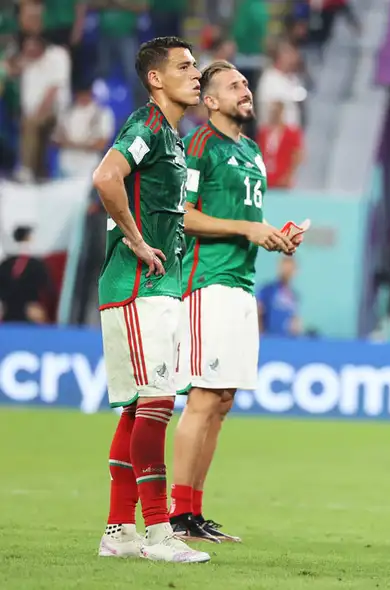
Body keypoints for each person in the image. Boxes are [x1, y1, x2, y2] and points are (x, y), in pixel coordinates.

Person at [169, 61, 297, 544]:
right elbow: (182, 215)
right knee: (203, 397)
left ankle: (194, 512)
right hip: (208, 281)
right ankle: (176, 515)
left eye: (246, 84)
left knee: (222, 401)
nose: (246, 90)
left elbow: (245, 221)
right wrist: (248, 228)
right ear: (210, 101)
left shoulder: (251, 151)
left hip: (242, 282)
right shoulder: (199, 145)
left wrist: (274, 236)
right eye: (233, 86)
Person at [92, 36, 209, 563]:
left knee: (139, 407)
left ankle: (119, 532)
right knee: (157, 405)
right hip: (140, 286)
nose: (196, 73)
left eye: (196, 66)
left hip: (150, 288)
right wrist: (136, 240)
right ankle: (159, 534)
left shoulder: (172, 136)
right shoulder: (148, 127)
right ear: (155, 79)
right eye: (184, 66)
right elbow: (105, 177)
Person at [0, 226, 51, 323]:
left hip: (15, 308)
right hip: (23, 308)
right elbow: (48, 288)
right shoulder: (37, 264)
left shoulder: (5, 264)